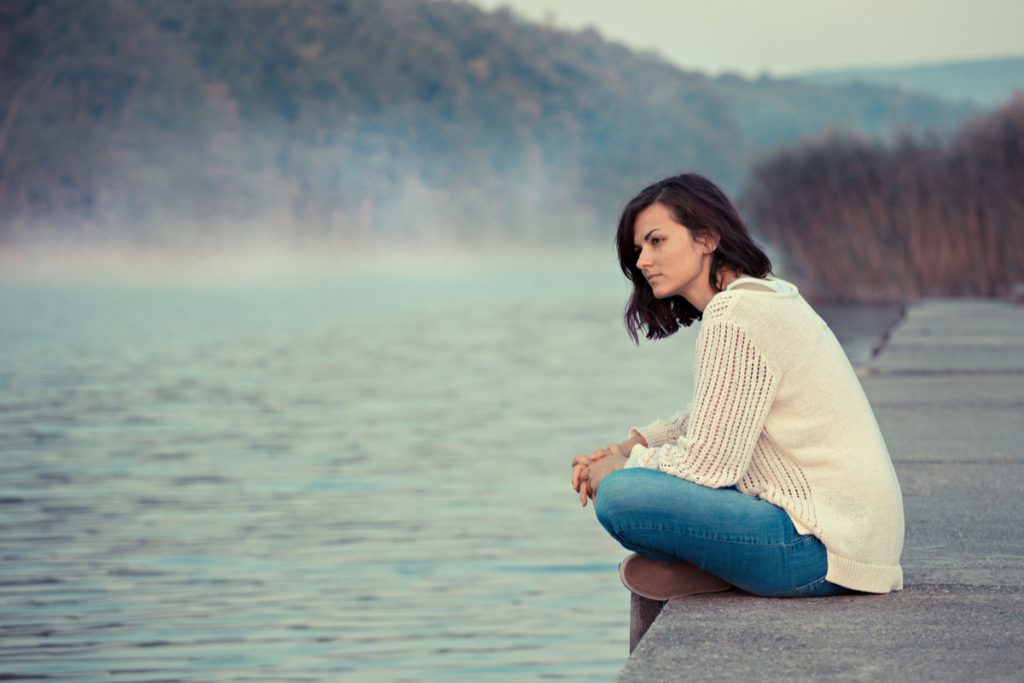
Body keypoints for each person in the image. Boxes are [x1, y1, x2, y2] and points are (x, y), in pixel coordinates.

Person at [570, 173, 904, 599]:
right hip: (855, 542)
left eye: (657, 241)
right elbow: (715, 417)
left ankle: (722, 567)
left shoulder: (736, 314)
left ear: (707, 238)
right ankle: (723, 568)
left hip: (821, 548)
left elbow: (710, 464)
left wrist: (622, 467)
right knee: (639, 479)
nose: (642, 262)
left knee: (620, 496)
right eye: (638, 250)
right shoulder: (765, 296)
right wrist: (628, 445)